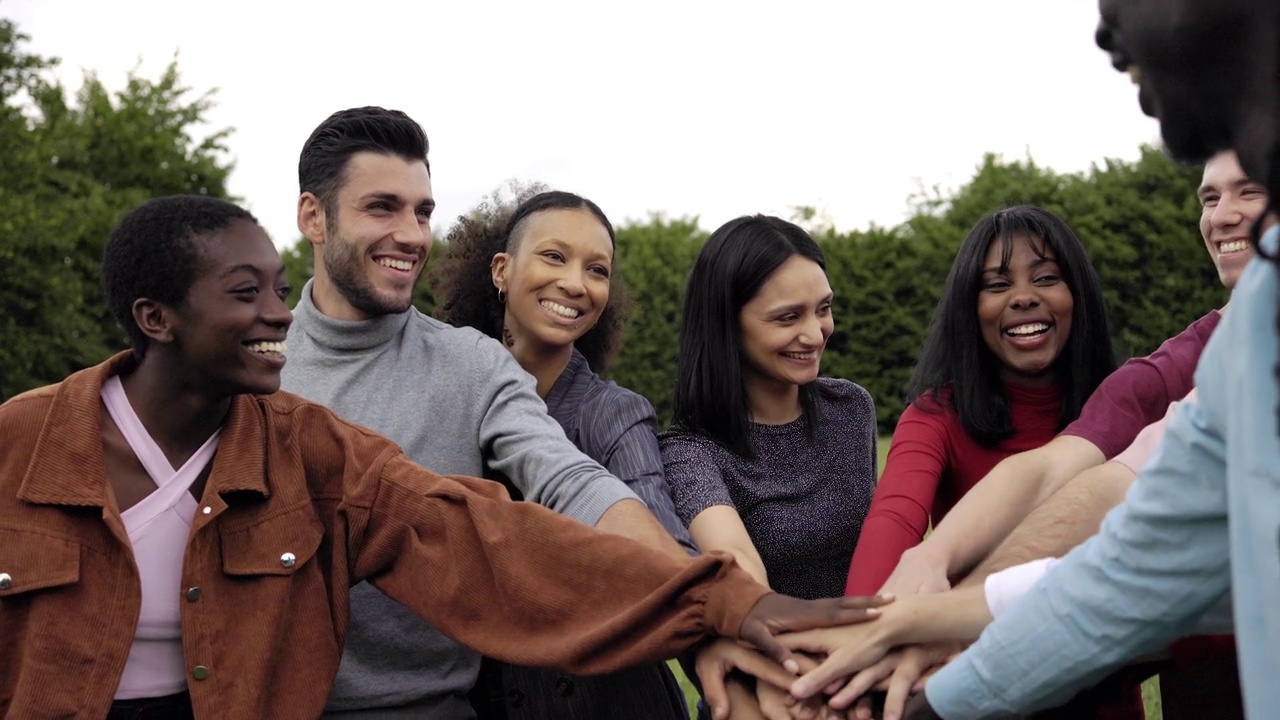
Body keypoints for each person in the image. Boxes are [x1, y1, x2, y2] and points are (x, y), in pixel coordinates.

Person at [0, 195, 889, 719]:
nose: (277, 313)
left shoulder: (313, 443)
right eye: (248, 294)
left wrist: (725, 605)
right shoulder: (22, 444)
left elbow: (491, 535)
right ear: (157, 318)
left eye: (277, 290)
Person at [791, 0, 1280, 716]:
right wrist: (906, 629)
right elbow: (1128, 543)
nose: (1104, 30)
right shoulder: (1250, 322)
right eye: (996, 285)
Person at [280, 107, 700, 718]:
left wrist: (716, 603)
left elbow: (571, 478)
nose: (412, 234)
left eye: (423, 212)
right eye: (382, 207)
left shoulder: (472, 363)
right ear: (313, 217)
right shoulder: (251, 372)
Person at [835, 151, 1262, 720]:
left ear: (1077, 295)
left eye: (1249, 191)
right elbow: (1066, 475)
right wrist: (892, 615)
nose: (1223, 215)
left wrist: (944, 619)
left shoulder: (1151, 386)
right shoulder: (1163, 377)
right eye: (1209, 197)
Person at [431, 188, 696, 719]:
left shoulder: (614, 414)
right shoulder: (444, 399)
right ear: (501, 270)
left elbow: (665, 550)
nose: (575, 283)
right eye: (554, 256)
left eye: (597, 269)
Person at [660, 214, 879, 716]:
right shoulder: (690, 450)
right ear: (727, 325)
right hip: (769, 678)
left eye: (822, 309)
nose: (815, 333)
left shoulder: (852, 409)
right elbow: (739, 568)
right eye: (787, 318)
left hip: (863, 667)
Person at [845, 204, 1116, 597]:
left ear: (1079, 295)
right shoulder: (934, 417)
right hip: (973, 642)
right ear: (969, 309)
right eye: (997, 285)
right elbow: (893, 520)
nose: (1023, 297)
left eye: (1045, 277)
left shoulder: (1125, 404)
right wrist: (857, 632)